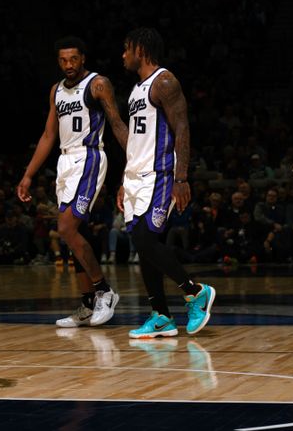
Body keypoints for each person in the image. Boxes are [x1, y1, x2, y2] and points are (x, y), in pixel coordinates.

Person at [16, 36, 128, 328]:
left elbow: (116, 122)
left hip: (89, 157)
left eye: (73, 59)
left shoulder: (97, 84)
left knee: (65, 227)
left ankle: (104, 291)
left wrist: (133, 163)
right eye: (63, 60)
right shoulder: (55, 91)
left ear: (83, 59)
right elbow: (48, 136)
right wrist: (28, 174)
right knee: (74, 234)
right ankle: (88, 304)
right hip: (65, 162)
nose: (68, 65)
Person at [117, 27, 216, 339]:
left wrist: (181, 177)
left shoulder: (164, 81)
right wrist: (124, 179)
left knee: (147, 240)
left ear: (140, 50)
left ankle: (195, 291)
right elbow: (136, 141)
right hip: (136, 176)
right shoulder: (136, 90)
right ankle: (160, 316)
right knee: (142, 244)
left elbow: (182, 126)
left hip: (160, 174)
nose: (123, 55)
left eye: (126, 48)